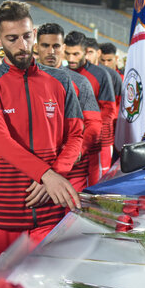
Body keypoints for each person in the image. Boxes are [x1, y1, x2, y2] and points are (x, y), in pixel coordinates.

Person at [0, 1, 83, 272]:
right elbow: (0, 141)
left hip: (51, 211)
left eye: (27, 36)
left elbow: (76, 135)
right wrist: (47, 175)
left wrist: (55, 173)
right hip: (4, 213)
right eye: (12, 38)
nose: (22, 45)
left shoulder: (61, 80)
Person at [36, 23, 101, 192]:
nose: (51, 51)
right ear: (36, 47)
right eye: (45, 45)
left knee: (70, 217)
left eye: (56, 46)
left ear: (63, 48)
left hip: (72, 171)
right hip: (34, 169)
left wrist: (78, 151)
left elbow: (93, 123)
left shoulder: (80, 82)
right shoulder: (22, 80)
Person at [64, 31, 116, 184]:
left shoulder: (101, 74)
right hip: (72, 145)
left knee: (97, 188)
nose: (71, 59)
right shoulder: (61, 73)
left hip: (98, 145)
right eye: (67, 54)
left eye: (76, 54)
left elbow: (108, 111)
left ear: (86, 52)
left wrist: (92, 139)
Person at [85, 37, 123, 107]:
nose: (106, 64)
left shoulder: (116, 76)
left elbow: (119, 104)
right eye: (103, 60)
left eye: (109, 60)